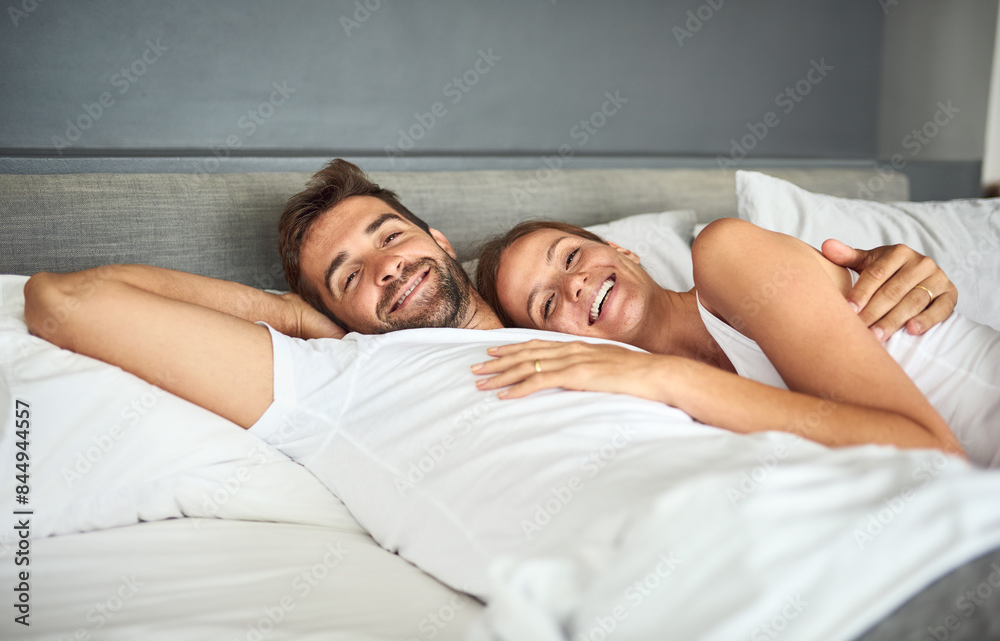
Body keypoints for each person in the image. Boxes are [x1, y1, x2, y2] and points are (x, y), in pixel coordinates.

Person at [20, 159, 1000, 638]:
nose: (381, 268)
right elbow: (65, 301)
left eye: (385, 234)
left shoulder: (594, 333)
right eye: (344, 274)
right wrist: (289, 318)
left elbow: (888, 411)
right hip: (748, 594)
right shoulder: (337, 377)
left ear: (438, 239)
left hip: (931, 517)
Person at [472, 218, 1000, 466]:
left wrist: (669, 377)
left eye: (570, 257)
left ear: (623, 250)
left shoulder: (726, 254)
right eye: (546, 305)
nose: (575, 285)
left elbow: (931, 454)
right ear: (560, 342)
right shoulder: (664, 416)